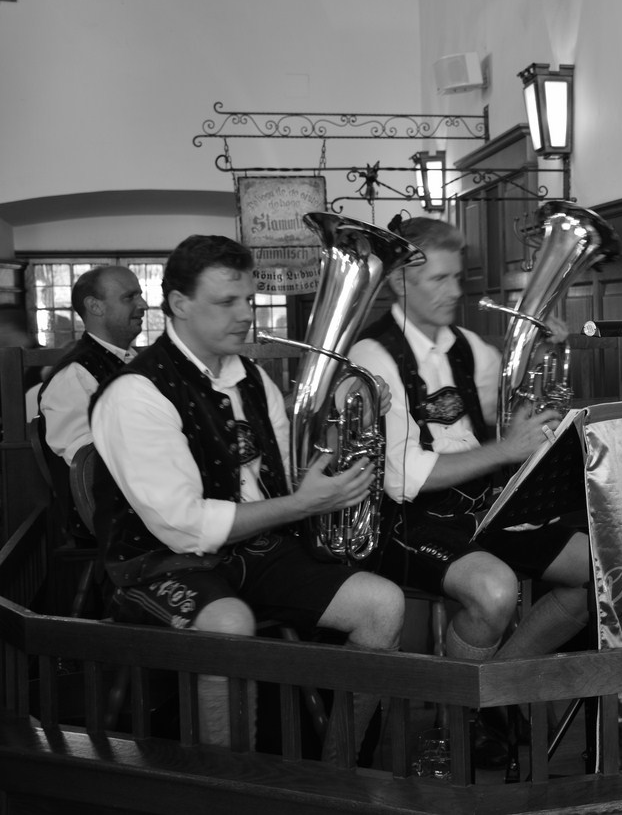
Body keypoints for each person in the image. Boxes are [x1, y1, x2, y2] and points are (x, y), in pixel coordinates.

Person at [90, 235, 405, 759]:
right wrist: (305, 505)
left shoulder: (253, 378)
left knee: (383, 605)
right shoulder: (135, 393)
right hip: (159, 564)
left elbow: (288, 476)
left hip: (255, 549)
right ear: (179, 304)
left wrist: (355, 425)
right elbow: (183, 526)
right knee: (229, 623)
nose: (244, 315)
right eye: (226, 302)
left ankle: (337, 765)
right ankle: (232, 786)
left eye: (249, 301)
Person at [347, 217, 592, 761]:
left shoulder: (472, 350)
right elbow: (402, 478)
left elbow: (512, 422)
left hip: (479, 510)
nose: (455, 291)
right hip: (404, 521)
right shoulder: (373, 357)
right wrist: (506, 450)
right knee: (495, 591)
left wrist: (542, 360)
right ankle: (467, 714)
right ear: (399, 283)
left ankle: (485, 698)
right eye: (439, 279)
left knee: (601, 570)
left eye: (457, 278)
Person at [40, 266, 149, 472]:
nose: (144, 305)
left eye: (140, 295)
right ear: (95, 306)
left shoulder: (138, 362)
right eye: (129, 297)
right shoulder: (74, 376)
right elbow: (86, 465)